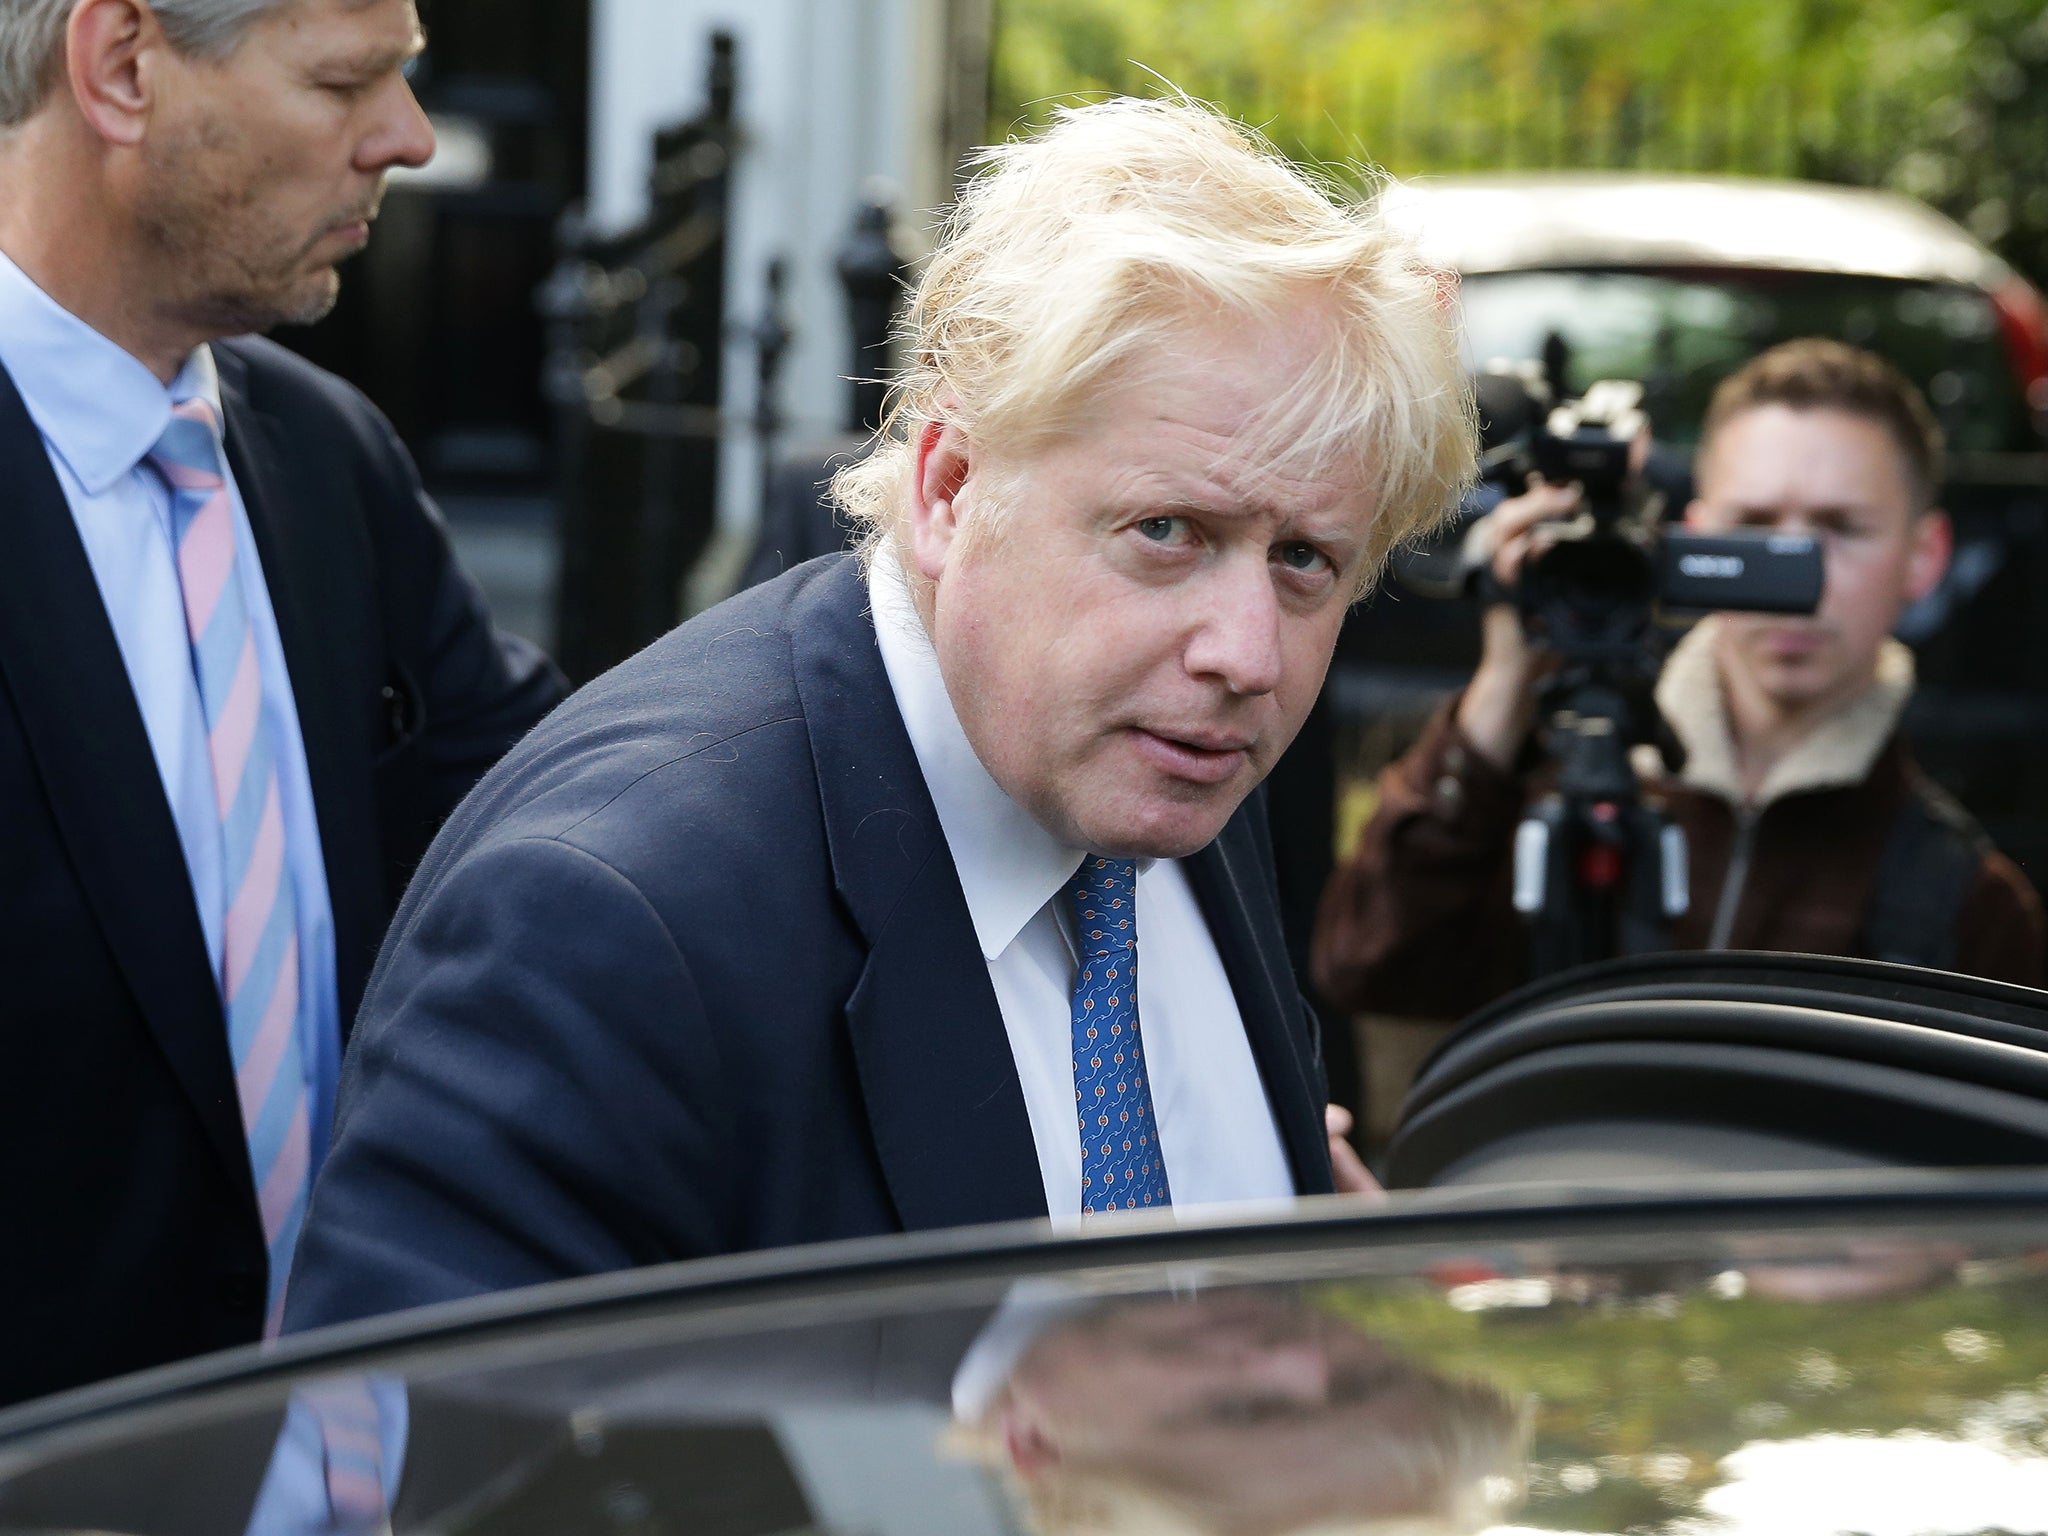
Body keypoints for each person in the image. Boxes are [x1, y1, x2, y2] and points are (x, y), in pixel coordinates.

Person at [281, 97, 1472, 1332]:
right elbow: (421, 1486)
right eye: (1164, 532)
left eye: (1304, 561)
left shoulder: (1159, 748)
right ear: (950, 487)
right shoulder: (603, 921)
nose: (1245, 654)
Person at [0, 0, 564, 1406]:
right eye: (344, 80)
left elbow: (554, 824)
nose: (411, 138)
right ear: (121, 66)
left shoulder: (325, 457)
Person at [1314, 338, 2047, 1023]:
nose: (1791, 571)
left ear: (1925, 555)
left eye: (1839, 528)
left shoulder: (1968, 905)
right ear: (1693, 537)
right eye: (1751, 524)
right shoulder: (1544, 792)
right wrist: (1506, 681)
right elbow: (1363, 966)